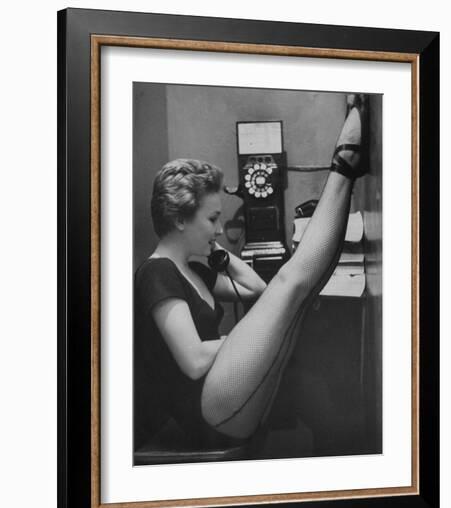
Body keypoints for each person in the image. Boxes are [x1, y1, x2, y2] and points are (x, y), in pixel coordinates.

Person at [134, 94, 368, 452]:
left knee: (293, 302)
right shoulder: (156, 274)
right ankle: (344, 167)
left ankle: (346, 169)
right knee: (291, 284)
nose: (217, 228)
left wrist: (219, 254)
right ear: (179, 219)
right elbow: (194, 361)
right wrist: (236, 343)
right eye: (212, 219)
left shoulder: (195, 270)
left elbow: (258, 288)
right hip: (203, 412)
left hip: (221, 392)